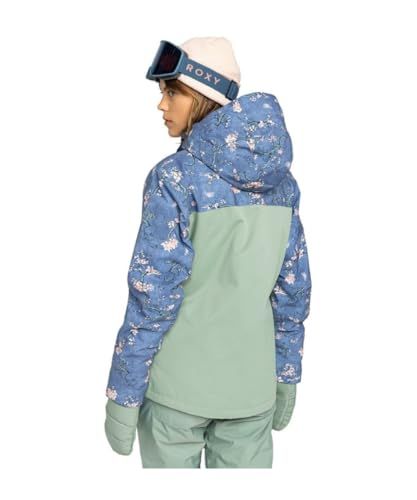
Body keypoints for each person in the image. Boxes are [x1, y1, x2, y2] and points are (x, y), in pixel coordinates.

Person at [104, 37, 312, 468]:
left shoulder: (174, 179)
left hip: (174, 394)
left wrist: (123, 393)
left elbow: (152, 296)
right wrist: (286, 372)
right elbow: (292, 292)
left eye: (172, 92)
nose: (161, 105)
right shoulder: (283, 186)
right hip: (251, 390)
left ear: (202, 96)